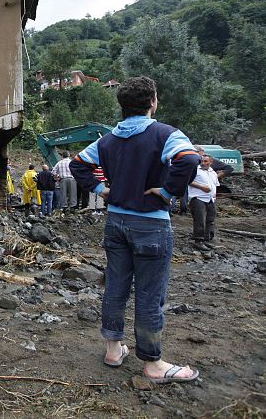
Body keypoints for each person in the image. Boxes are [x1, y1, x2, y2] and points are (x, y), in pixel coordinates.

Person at [70, 76, 201, 384]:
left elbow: (77, 165)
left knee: (115, 286)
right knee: (149, 293)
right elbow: (189, 159)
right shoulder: (165, 134)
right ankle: (153, 364)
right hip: (151, 224)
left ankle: (113, 349)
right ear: (152, 102)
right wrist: (168, 192)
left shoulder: (107, 140)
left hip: (115, 222)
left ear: (121, 105)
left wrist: (101, 190)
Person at [188, 154, 219, 251]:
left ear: (211, 162)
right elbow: (187, 181)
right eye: (202, 161)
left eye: (206, 161)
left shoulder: (212, 172)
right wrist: (201, 187)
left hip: (210, 199)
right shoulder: (195, 170)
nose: (203, 163)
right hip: (198, 197)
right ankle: (198, 241)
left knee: (210, 219)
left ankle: (206, 239)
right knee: (200, 220)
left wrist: (214, 194)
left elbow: (215, 184)